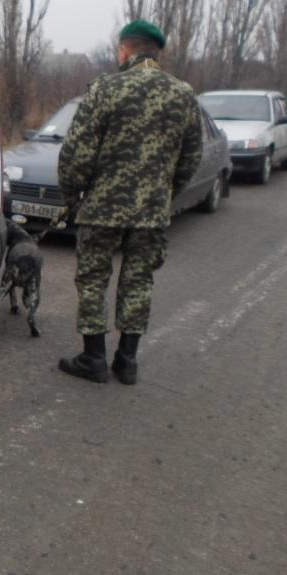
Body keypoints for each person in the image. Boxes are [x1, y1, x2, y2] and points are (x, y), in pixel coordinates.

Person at [56, 19, 202, 385]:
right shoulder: (182, 94)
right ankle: (127, 360)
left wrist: (71, 197)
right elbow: (191, 157)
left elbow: (77, 154)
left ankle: (93, 359)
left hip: (103, 209)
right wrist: (165, 193)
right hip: (151, 213)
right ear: (157, 52)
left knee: (92, 280)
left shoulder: (105, 89)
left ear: (124, 49)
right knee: (138, 282)